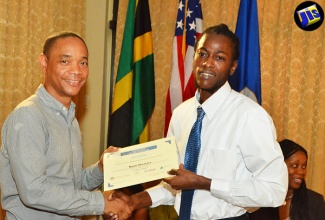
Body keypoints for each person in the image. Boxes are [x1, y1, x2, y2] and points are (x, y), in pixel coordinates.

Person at [108, 23, 288, 220]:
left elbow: (275, 190)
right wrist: (134, 201)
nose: (207, 63)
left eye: (219, 57)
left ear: (233, 67)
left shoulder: (250, 116)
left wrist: (204, 183)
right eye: (202, 54)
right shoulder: (181, 114)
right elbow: (174, 182)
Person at [0, 32, 132, 220]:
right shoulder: (29, 116)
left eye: (83, 62)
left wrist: (102, 168)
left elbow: (70, 185)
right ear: (44, 63)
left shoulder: (70, 117)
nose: (76, 71)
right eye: (65, 62)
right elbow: (34, 191)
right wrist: (100, 203)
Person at [249, 139, 325, 220]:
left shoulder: (315, 202)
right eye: (294, 165)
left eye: (303, 166)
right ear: (278, 165)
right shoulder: (259, 197)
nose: (301, 172)